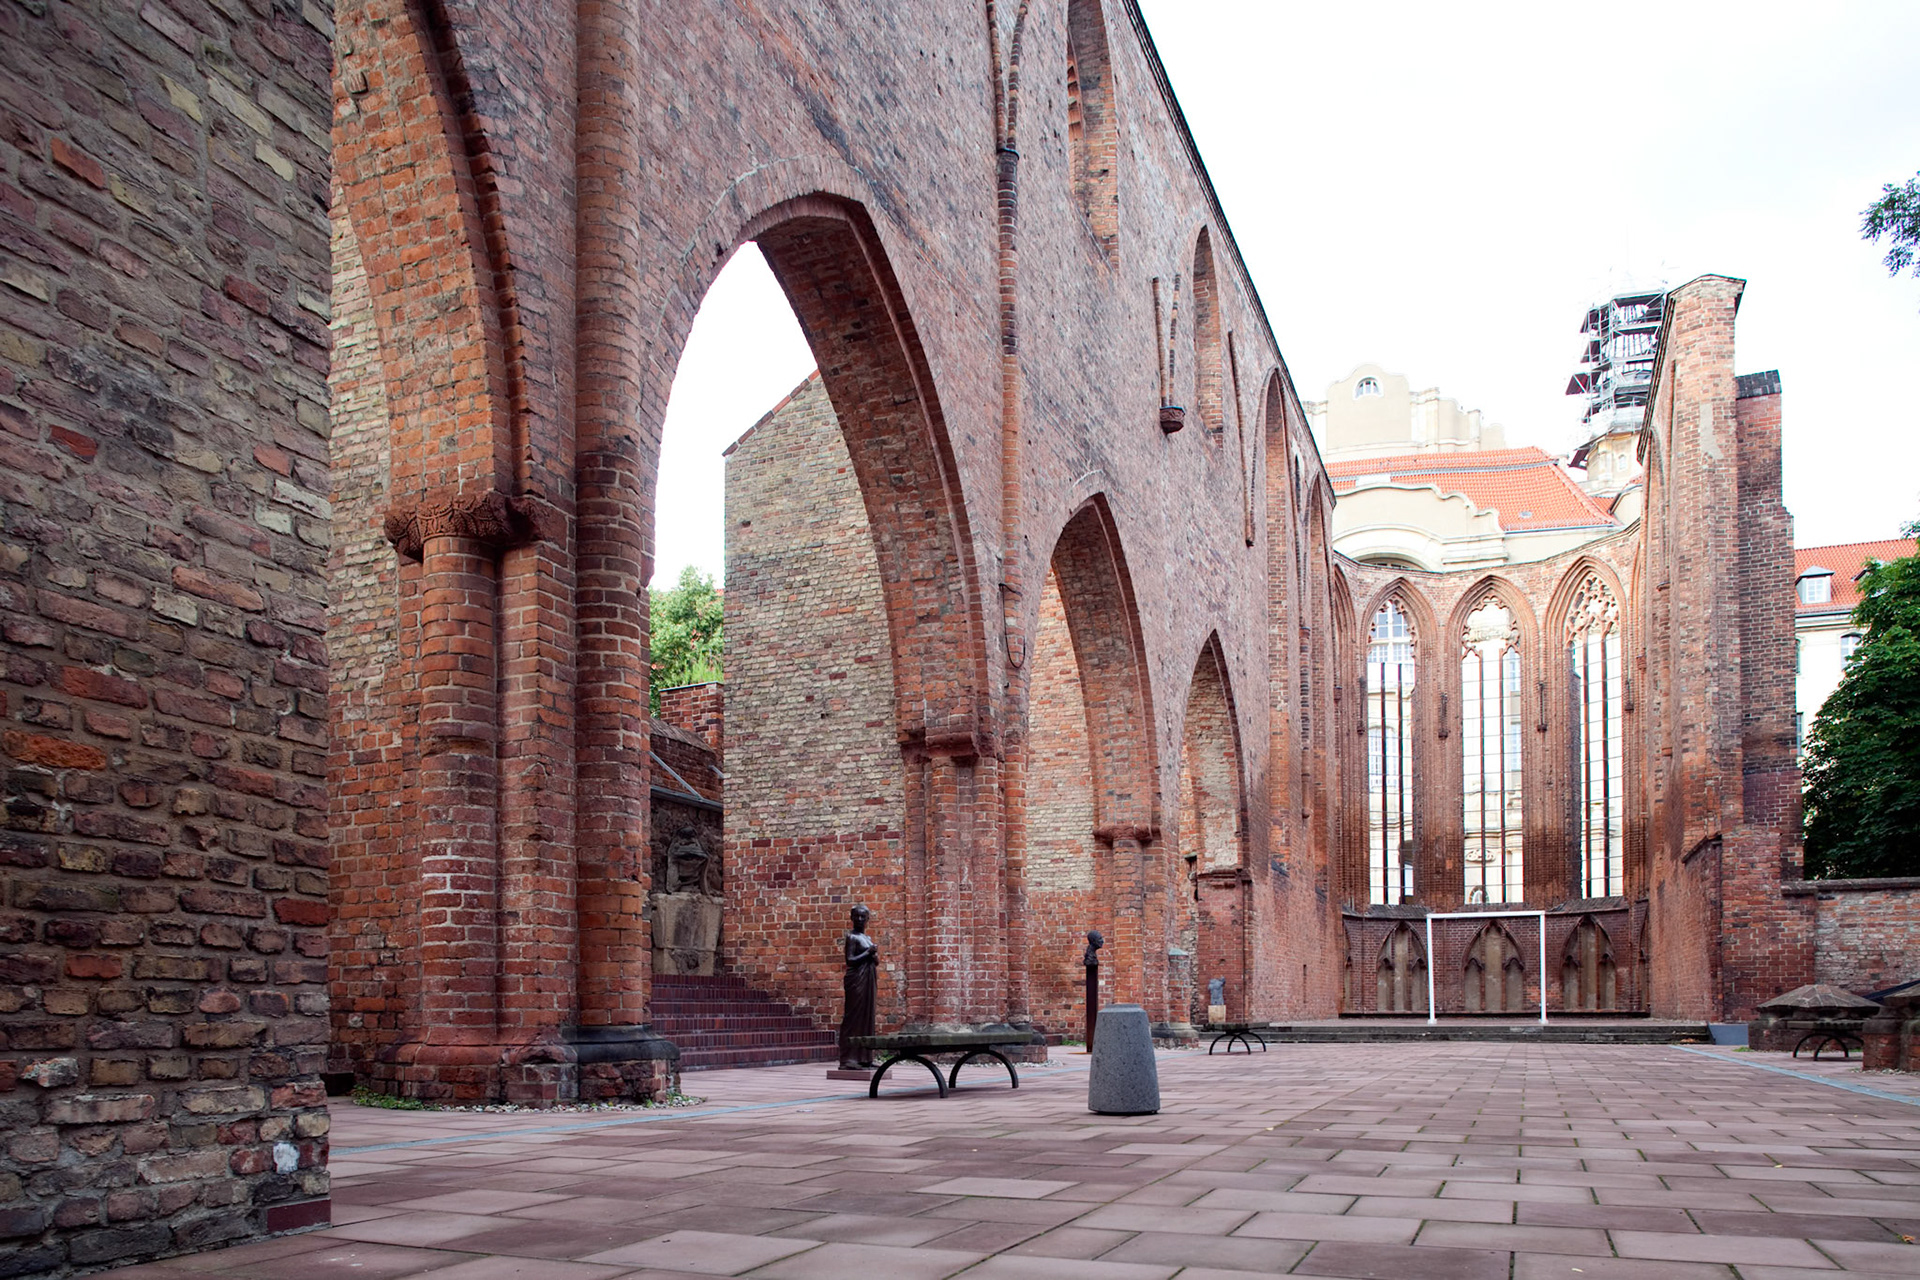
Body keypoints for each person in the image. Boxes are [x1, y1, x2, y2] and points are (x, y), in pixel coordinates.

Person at [838, 905, 877, 1069]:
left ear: (867, 919)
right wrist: (869, 953)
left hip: (868, 979)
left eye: (863, 917)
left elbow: (875, 960)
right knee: (853, 1017)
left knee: (866, 1017)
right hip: (856, 980)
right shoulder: (852, 937)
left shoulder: (867, 937)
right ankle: (848, 1059)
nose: (860, 920)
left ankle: (865, 1057)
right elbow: (850, 960)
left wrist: (873, 955)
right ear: (852, 918)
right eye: (857, 916)